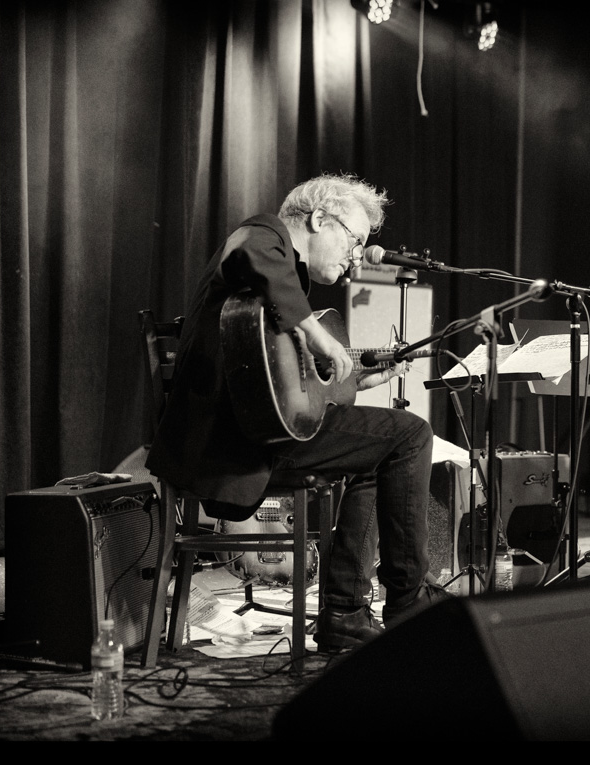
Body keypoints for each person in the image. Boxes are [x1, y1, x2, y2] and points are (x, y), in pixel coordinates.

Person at [146, 172, 447, 652]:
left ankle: (344, 614)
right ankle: (408, 602)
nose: (356, 258)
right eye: (355, 242)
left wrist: (356, 382)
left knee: (378, 451)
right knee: (410, 434)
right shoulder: (264, 237)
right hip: (232, 448)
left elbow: (287, 397)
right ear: (319, 218)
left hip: (255, 436)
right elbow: (249, 249)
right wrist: (316, 330)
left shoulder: (278, 288)